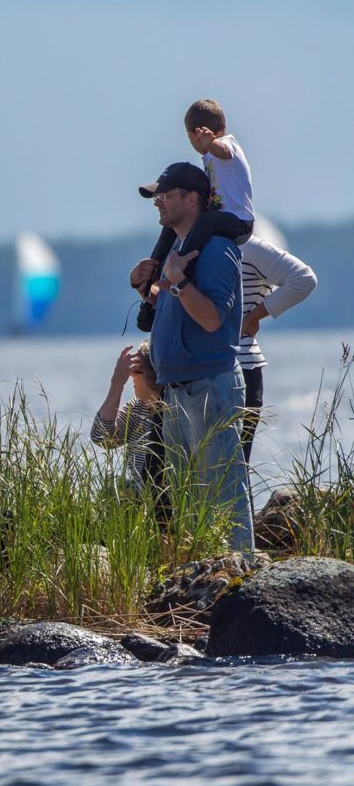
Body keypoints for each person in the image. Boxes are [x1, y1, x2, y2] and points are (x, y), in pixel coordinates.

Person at [129, 162, 253, 553]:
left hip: (209, 387)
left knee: (223, 491)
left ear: (192, 198)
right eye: (157, 197)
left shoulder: (215, 249)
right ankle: (206, 577)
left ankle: (240, 577)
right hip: (178, 391)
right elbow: (174, 314)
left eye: (165, 195)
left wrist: (179, 281)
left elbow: (213, 319)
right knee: (190, 499)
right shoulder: (179, 251)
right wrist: (144, 287)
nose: (158, 204)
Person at [136, 99, 254, 330]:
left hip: (238, 222)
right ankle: (152, 285)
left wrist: (212, 143)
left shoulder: (227, 145)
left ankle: (180, 270)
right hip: (220, 217)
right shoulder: (209, 157)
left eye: (195, 139)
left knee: (206, 222)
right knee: (169, 230)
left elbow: (225, 151)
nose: (197, 144)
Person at [236, 234, 317, 461]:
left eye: (167, 196)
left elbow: (304, 279)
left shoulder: (245, 245)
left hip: (241, 365)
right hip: (194, 370)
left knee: (232, 469)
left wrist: (253, 318)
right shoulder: (183, 241)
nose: (159, 203)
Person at [91, 343, 166, 499]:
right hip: (139, 498)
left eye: (135, 372)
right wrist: (116, 384)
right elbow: (103, 438)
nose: (131, 377)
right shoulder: (138, 408)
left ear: (151, 375)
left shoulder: (177, 408)